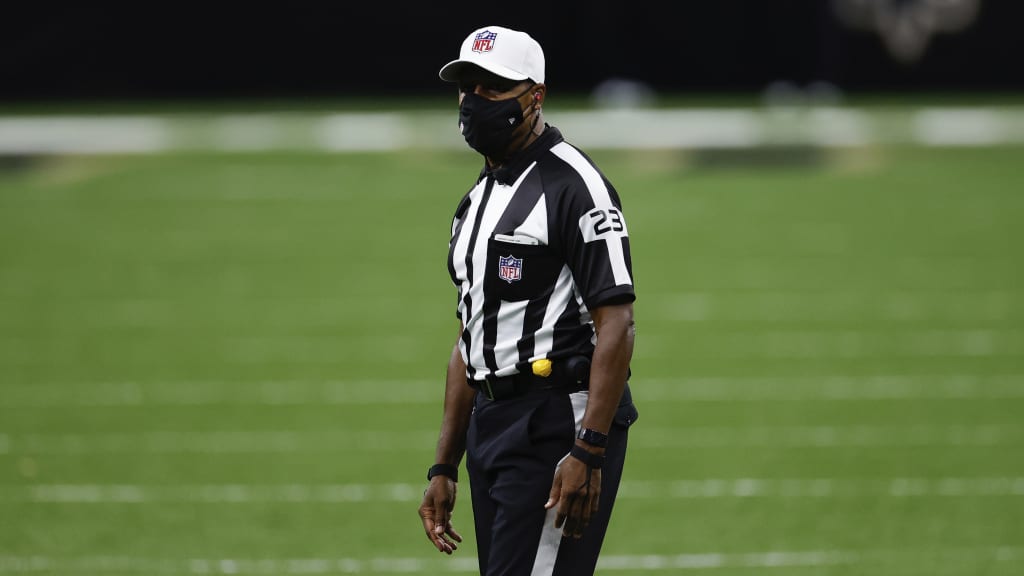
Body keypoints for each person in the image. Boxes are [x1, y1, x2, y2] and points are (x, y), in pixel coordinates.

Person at [417, 25, 639, 576]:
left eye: (494, 88)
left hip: (557, 419)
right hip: (492, 425)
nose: (475, 101)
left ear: (534, 97)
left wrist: (588, 450)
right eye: (468, 86)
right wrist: (444, 463)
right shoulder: (476, 200)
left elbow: (617, 323)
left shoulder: (574, 184)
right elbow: (471, 339)